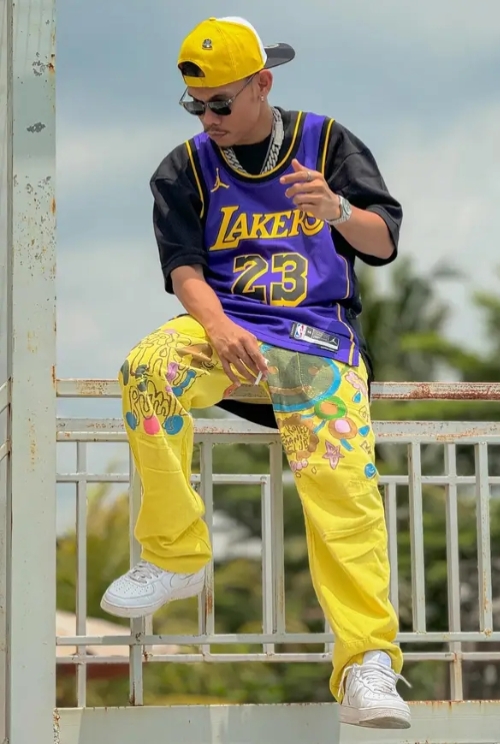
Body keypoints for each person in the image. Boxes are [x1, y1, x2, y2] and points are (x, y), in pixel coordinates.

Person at [100, 15, 410, 730]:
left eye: (221, 103)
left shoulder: (326, 142)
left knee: (340, 481)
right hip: (225, 325)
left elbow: (384, 241)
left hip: (315, 337)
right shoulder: (184, 168)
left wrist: (336, 209)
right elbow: (183, 267)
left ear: (262, 84)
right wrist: (216, 326)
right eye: (196, 105)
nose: (208, 119)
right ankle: (175, 554)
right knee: (146, 371)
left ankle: (367, 661)